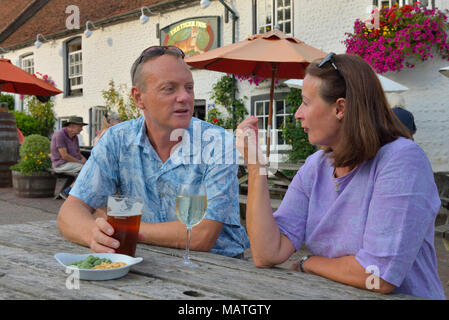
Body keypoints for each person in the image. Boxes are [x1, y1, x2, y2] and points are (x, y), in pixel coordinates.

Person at [236, 53, 444, 299]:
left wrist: (309, 263)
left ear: (340, 108)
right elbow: (266, 253)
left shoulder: (401, 160)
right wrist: (256, 168)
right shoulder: (316, 166)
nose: (297, 114)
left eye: (306, 102)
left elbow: (378, 276)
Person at [57, 45, 249, 258]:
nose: (185, 97)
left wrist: (125, 227)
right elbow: (70, 211)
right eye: (169, 88)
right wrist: (92, 233)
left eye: (189, 87)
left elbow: (201, 235)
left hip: (219, 270)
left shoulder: (217, 143)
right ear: (139, 98)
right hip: (147, 263)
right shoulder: (117, 140)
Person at [50, 116, 88, 199]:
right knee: (86, 170)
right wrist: (80, 162)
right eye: (80, 126)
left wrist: (85, 160)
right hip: (60, 164)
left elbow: (77, 152)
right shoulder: (60, 135)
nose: (82, 129)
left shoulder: (75, 137)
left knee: (89, 169)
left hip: (71, 163)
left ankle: (71, 192)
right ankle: (67, 192)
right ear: (71, 126)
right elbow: (64, 156)